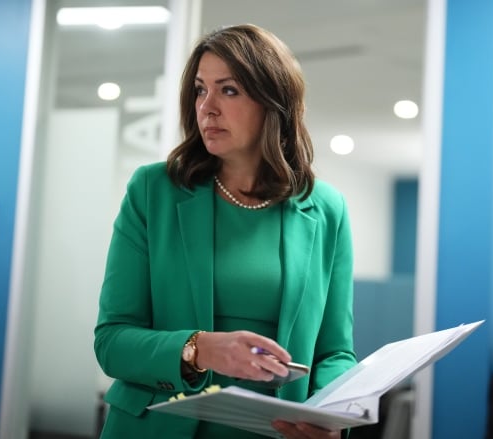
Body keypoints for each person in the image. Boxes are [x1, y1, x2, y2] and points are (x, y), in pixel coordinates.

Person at [94, 24, 356, 439]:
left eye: (228, 90)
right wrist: (198, 349)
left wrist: (331, 419)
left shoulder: (327, 210)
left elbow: (334, 352)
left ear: (274, 103)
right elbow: (112, 341)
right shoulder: (153, 191)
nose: (207, 107)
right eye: (201, 90)